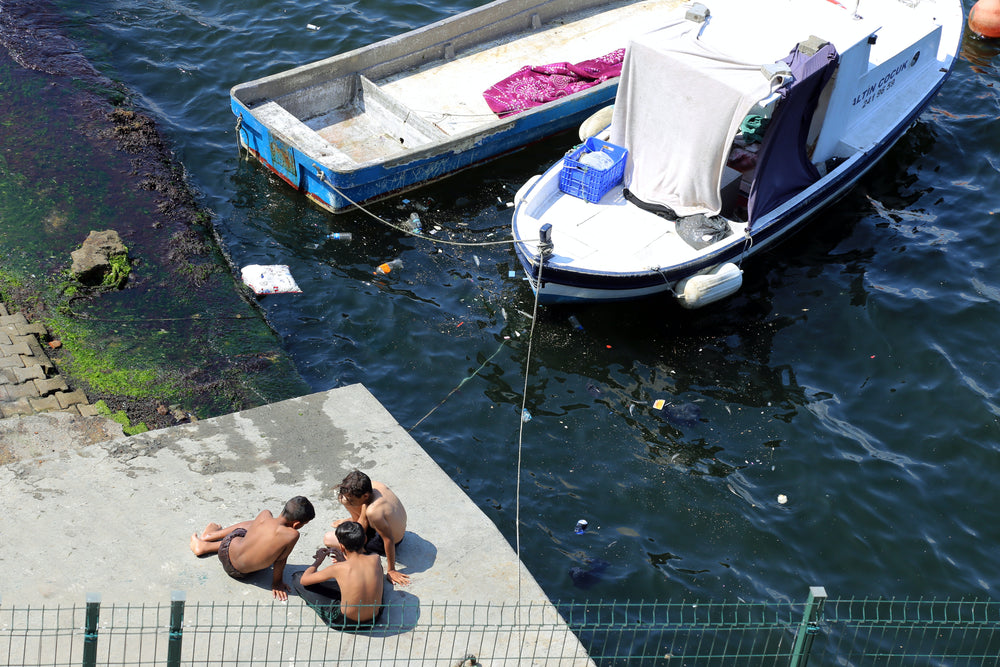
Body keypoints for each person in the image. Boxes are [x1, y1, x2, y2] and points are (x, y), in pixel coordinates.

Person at [189, 496, 315, 600]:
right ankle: (206, 544)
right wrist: (277, 582)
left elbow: (250, 538)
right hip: (242, 573)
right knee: (255, 533)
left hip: (225, 551)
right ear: (296, 524)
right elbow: (281, 560)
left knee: (253, 525)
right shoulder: (292, 535)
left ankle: (209, 537)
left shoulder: (264, 516)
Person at [292, 521, 384, 629]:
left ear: (341, 547)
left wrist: (318, 561)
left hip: (347, 622)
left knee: (297, 578)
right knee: (374, 575)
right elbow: (356, 571)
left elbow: (304, 580)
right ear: (365, 539)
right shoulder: (375, 558)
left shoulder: (338, 569)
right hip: (374, 618)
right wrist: (343, 561)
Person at [328, 470, 410, 585]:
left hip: (390, 540)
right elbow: (363, 505)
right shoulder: (374, 485)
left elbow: (388, 539)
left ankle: (357, 529)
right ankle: (355, 521)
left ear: (365, 495)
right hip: (392, 525)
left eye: (352, 500)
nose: (349, 502)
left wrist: (391, 570)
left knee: (328, 538)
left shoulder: (374, 512)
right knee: (343, 498)